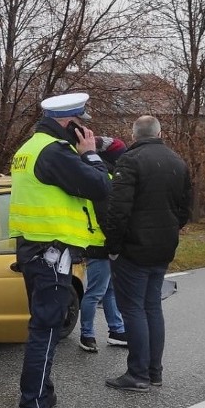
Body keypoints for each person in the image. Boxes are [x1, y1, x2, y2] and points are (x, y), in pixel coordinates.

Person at [9, 92, 111, 408]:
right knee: (47, 330)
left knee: (42, 326)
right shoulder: (55, 152)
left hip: (33, 250)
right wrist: (91, 154)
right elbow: (100, 186)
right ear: (71, 123)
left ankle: (42, 394)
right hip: (51, 253)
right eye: (83, 126)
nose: (86, 132)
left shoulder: (29, 148)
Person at [103, 115, 192, 391]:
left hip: (133, 248)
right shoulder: (178, 162)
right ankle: (154, 371)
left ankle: (137, 374)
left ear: (134, 135)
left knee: (133, 309)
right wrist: (169, 230)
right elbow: (186, 209)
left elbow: (118, 209)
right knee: (152, 306)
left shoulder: (129, 161)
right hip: (164, 246)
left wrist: (113, 246)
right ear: (159, 132)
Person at [78, 136, 128, 353]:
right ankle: (86, 334)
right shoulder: (103, 178)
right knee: (96, 291)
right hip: (100, 242)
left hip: (98, 240)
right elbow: (106, 216)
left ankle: (116, 330)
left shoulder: (96, 173)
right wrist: (116, 243)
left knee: (109, 290)